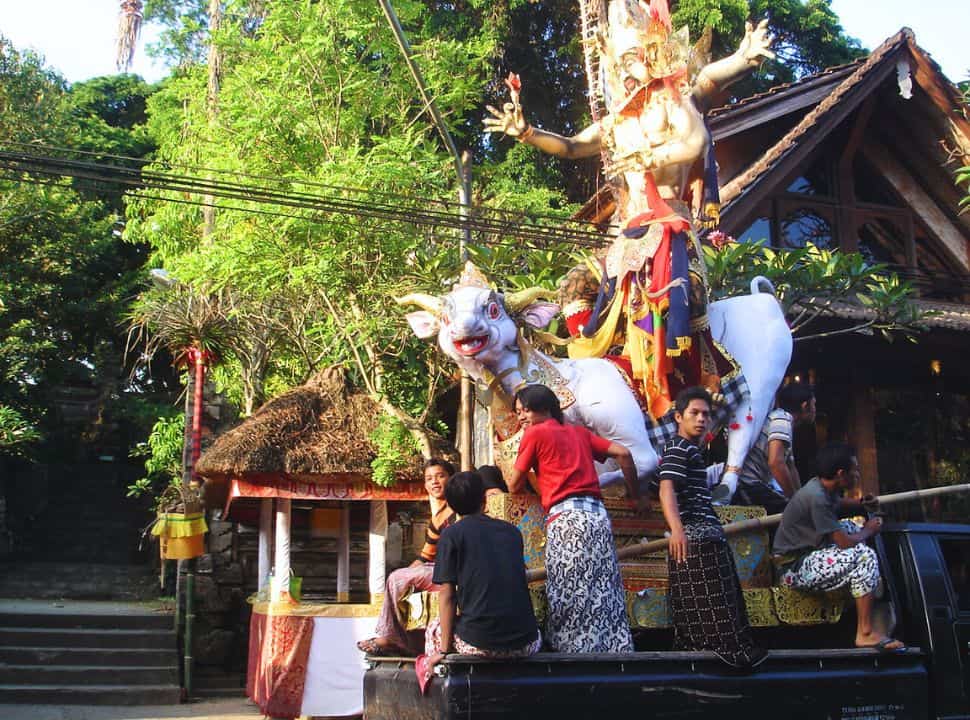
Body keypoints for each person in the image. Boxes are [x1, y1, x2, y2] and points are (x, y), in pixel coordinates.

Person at [485, 1, 774, 419]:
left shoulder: (673, 101)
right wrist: (528, 133)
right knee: (573, 287)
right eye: (616, 62)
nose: (622, 69)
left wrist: (743, 58)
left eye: (630, 59)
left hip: (670, 230)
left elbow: (695, 143)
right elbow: (571, 146)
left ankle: (697, 389)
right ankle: (596, 368)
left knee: (682, 299)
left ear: (652, 54)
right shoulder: (615, 122)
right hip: (627, 237)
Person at [507, 384, 635, 653]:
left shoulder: (534, 434)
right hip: (598, 517)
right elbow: (623, 453)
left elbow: (514, 484)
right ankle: (613, 648)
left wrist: (532, 474)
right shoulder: (579, 432)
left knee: (569, 585)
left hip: (566, 520)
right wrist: (637, 496)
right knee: (603, 584)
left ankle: (572, 651)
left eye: (525, 411)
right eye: (518, 412)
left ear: (544, 408)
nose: (521, 418)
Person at [657, 386, 766, 668]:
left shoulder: (689, 449)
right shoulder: (677, 447)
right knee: (711, 609)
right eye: (694, 413)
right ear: (679, 417)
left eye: (706, 414)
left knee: (715, 606)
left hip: (706, 536)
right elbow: (666, 488)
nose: (701, 419)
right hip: (695, 539)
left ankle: (716, 664)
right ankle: (720, 665)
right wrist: (678, 529)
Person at [773, 443, 906, 653]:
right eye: (855, 470)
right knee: (865, 555)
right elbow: (843, 543)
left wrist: (862, 504)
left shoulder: (821, 487)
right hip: (793, 569)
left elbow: (838, 503)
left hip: (809, 553)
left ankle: (864, 584)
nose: (858, 474)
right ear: (841, 474)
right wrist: (869, 530)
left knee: (852, 525)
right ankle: (865, 632)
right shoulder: (817, 499)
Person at [424, 470, 541, 669]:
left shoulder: (451, 534)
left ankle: (438, 677)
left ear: (451, 505)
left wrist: (443, 650)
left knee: (434, 628)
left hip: (480, 644)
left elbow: (447, 596)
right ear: (484, 500)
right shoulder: (512, 532)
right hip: (527, 644)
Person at [357, 458, 456, 655]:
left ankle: (389, 639)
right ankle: (406, 641)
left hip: (452, 572)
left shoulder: (459, 510)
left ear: (451, 479)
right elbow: (426, 556)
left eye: (440, 476)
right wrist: (407, 574)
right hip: (435, 569)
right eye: (429, 479)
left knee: (396, 578)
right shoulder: (438, 518)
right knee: (398, 578)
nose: (434, 482)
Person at [734, 383, 816, 513]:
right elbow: (776, 463)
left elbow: (790, 465)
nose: (815, 409)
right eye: (814, 404)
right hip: (748, 486)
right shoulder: (782, 419)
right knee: (794, 515)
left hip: (752, 485)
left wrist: (800, 498)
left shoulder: (782, 420)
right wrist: (795, 501)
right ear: (805, 406)